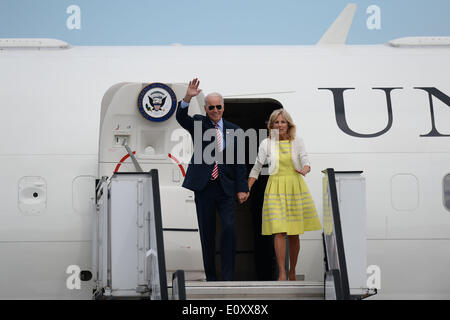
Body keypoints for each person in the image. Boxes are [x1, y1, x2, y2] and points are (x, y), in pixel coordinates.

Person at [176, 78, 249, 281]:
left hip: (226, 187)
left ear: (223, 108)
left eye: (218, 107)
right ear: (206, 108)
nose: (215, 110)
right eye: (211, 107)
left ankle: (227, 277)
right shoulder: (199, 123)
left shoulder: (236, 130)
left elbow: (240, 162)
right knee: (207, 234)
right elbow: (181, 117)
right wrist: (188, 97)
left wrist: (243, 188)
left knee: (229, 229)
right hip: (204, 187)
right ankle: (211, 277)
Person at [247, 109, 322, 281]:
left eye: (283, 122)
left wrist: (305, 169)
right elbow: (257, 168)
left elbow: (305, 160)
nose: (279, 125)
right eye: (276, 122)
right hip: (275, 187)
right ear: (271, 125)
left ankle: (292, 271)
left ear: (288, 124)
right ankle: (282, 273)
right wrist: (248, 188)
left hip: (295, 186)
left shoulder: (297, 142)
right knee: (279, 231)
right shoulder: (266, 143)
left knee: (294, 233)